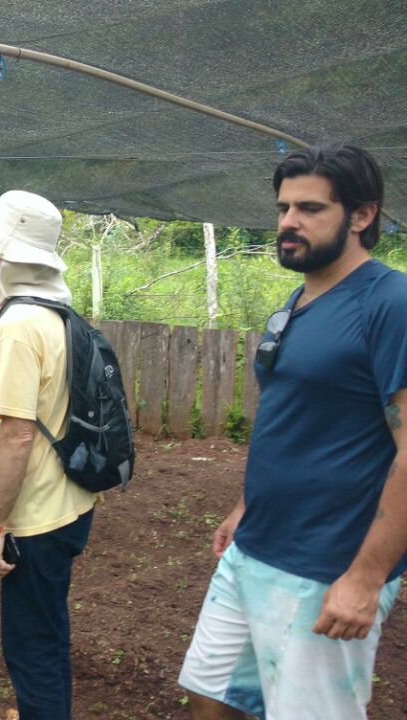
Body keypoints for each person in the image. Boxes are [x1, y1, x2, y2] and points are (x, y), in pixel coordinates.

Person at [179, 144, 407, 719]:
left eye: (309, 208)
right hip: (256, 546)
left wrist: (367, 575)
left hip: (324, 566)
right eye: (283, 208)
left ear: (362, 216)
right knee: (210, 696)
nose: (288, 223)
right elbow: (297, 414)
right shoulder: (299, 299)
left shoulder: (390, 303)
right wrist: (244, 504)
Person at [0, 190, 97, 719]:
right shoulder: (54, 312)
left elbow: (17, 435)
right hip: (69, 500)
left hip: (36, 520)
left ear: (6, 250)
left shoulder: (18, 325)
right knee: (47, 638)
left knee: (31, 652)